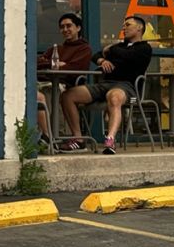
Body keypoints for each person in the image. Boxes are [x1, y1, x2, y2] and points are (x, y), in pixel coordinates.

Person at [58, 15, 153, 154]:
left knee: (113, 96)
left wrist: (111, 49)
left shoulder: (144, 48)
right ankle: (78, 139)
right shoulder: (118, 47)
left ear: (139, 28)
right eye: (124, 25)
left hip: (127, 87)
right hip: (105, 84)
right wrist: (102, 60)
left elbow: (127, 56)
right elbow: (94, 55)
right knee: (67, 96)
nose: (124, 27)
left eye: (128, 25)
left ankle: (110, 140)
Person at [34, 13, 92, 144]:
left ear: (78, 28)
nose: (65, 30)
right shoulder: (56, 48)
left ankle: (54, 134)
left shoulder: (84, 49)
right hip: (45, 81)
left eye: (68, 26)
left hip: (68, 86)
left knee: (48, 91)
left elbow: (75, 69)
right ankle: (45, 134)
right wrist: (53, 64)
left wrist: (54, 65)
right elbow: (37, 63)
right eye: (62, 27)